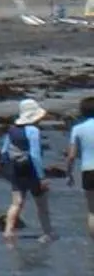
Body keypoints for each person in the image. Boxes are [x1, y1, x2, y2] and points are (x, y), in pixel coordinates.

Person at [2, 98, 56, 243]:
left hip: (16, 169)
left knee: (16, 202)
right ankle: (47, 233)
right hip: (30, 170)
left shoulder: (12, 129)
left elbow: (4, 151)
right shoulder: (33, 131)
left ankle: (8, 231)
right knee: (41, 203)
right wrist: (41, 176)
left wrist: (7, 170)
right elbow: (35, 155)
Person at [67, 96, 94, 241]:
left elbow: (71, 156)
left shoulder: (77, 129)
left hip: (88, 170)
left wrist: (69, 173)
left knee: (92, 211)